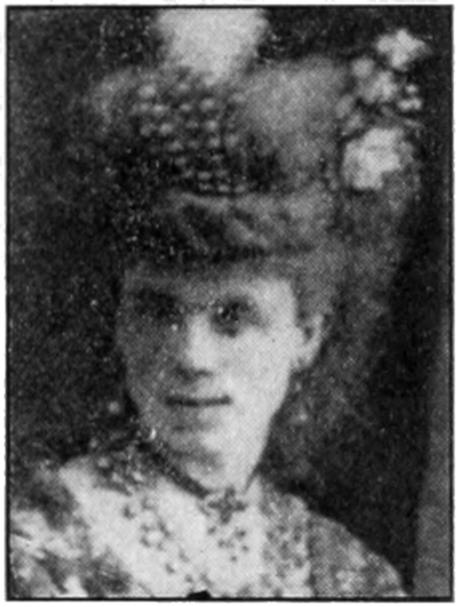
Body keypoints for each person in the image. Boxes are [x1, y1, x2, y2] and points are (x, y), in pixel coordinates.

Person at [9, 8, 429, 598]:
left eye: (234, 318)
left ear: (307, 334)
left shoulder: (346, 573)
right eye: (158, 310)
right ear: (120, 321)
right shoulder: (39, 545)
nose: (192, 356)